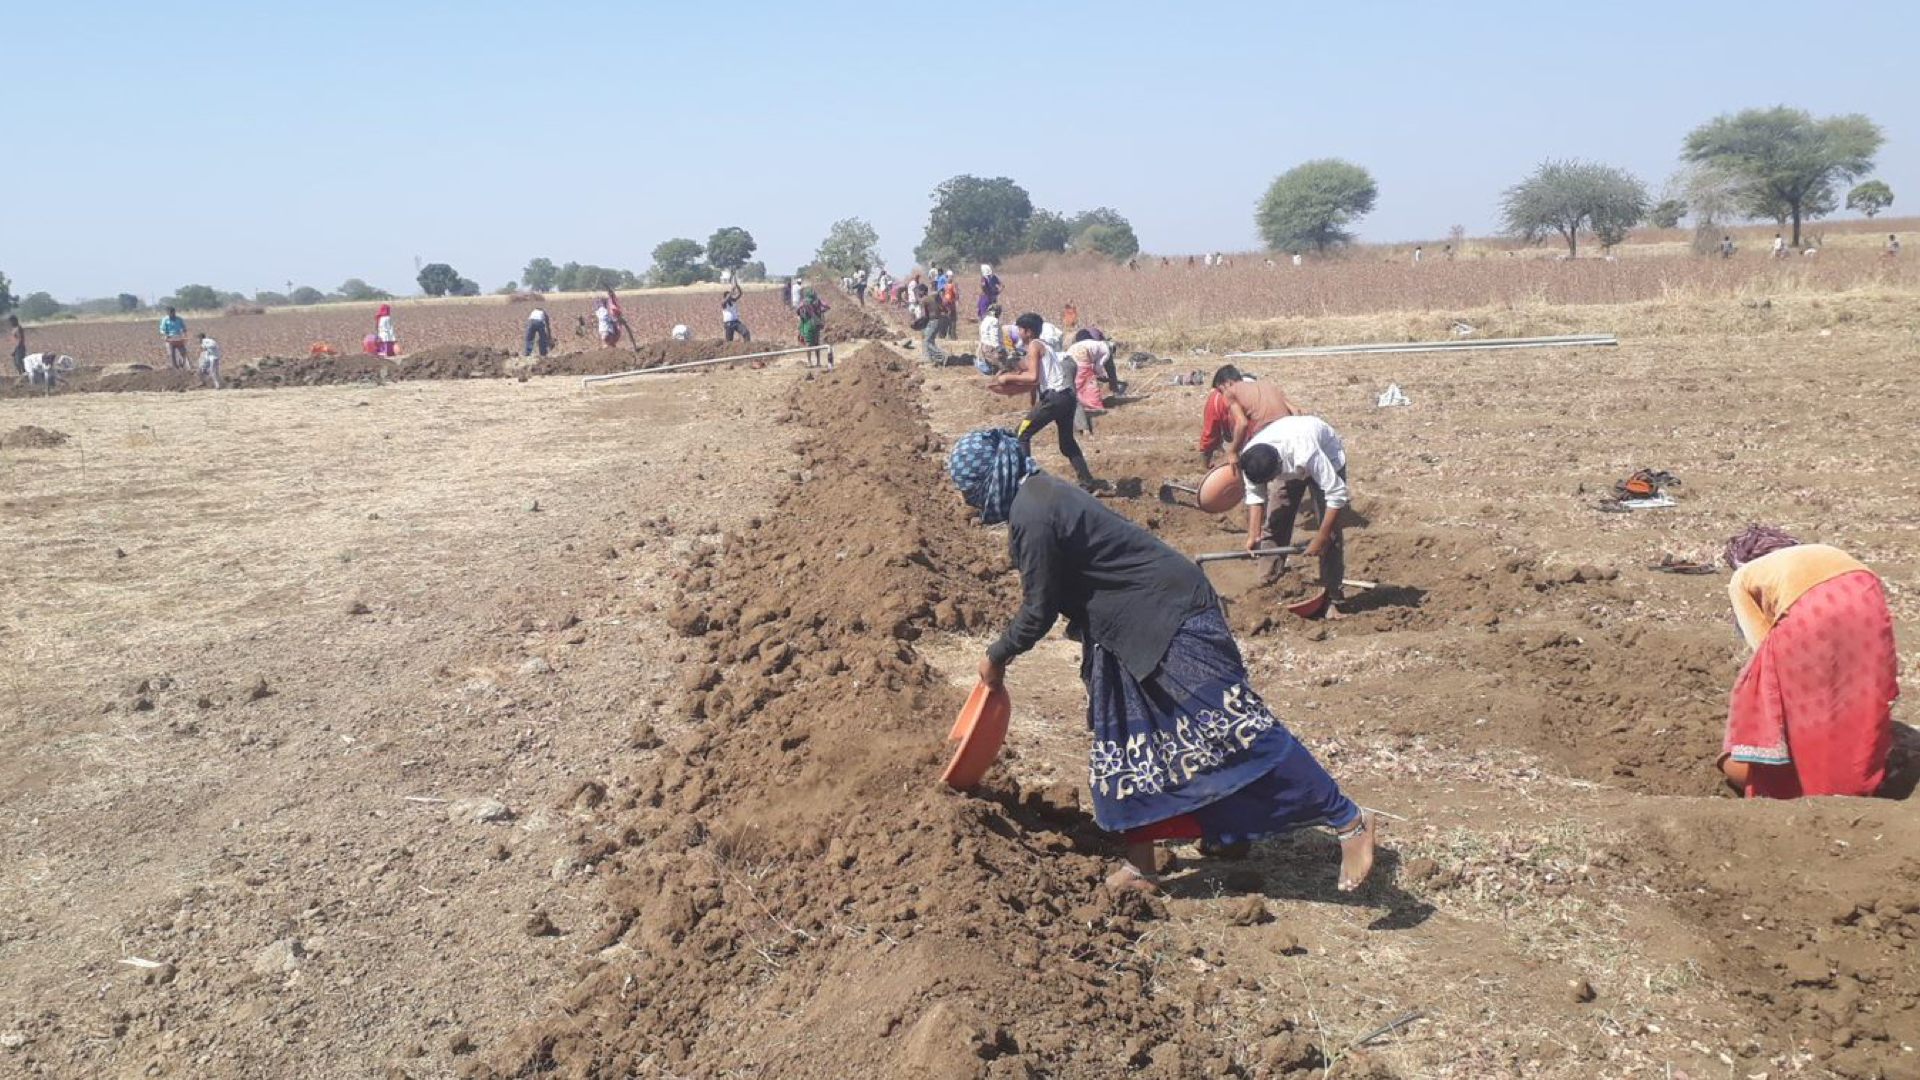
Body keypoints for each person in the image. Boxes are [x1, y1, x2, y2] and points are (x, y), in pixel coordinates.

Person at [947, 428, 1376, 895]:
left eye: (971, 491)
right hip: (1122, 629)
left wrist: (997, 657)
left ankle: (1348, 821)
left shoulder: (1032, 511)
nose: (971, 503)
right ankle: (1143, 866)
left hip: (1168, 616)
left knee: (1234, 727)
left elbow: (1038, 608)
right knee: (1130, 747)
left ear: (989, 479)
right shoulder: (1035, 494)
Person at [1717, 527, 1898, 800]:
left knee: (1800, 709)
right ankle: (1858, 779)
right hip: (1866, 593)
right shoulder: (1820, 553)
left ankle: (1801, 787)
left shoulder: (1742, 577)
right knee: (1857, 696)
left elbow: (1762, 646)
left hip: (1811, 611)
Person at [1237, 416, 1350, 601]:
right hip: (1290, 454)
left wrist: (1321, 537)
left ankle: (1332, 596)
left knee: (1331, 533)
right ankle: (1268, 587)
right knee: (1276, 522)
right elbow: (1255, 495)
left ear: (1278, 468)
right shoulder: (1251, 458)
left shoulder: (1306, 452)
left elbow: (1337, 494)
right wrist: (1253, 534)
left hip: (1326, 456)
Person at [988, 313, 1102, 490]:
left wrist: (1006, 379)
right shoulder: (1044, 346)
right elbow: (1030, 375)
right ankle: (1088, 481)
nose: (1017, 332)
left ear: (1028, 331)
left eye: (1019, 329)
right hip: (1067, 398)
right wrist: (1011, 379)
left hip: (1055, 397)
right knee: (1067, 443)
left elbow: (1032, 378)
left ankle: (1026, 482)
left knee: (1022, 433)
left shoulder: (1034, 345)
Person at [1068, 329, 1125, 398]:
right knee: (1086, 377)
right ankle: (1086, 399)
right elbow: (1098, 366)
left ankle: (1075, 397)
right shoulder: (1106, 350)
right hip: (1082, 352)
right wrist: (1101, 375)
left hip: (1071, 352)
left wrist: (1097, 374)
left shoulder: (1095, 343)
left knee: (1077, 376)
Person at [977, 305, 1007, 373]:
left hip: (984, 346)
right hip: (992, 347)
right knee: (1005, 367)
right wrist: (998, 349)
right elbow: (994, 336)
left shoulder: (985, 320)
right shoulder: (994, 321)